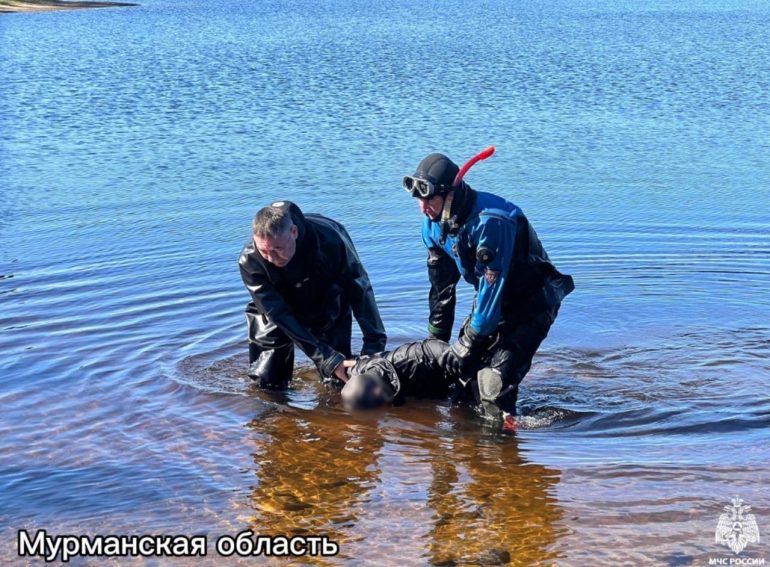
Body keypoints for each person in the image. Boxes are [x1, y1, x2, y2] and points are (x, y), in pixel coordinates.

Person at [403, 150, 575, 430]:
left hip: (531, 302)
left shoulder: (491, 222)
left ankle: (507, 449)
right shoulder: (432, 224)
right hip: (489, 298)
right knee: (460, 382)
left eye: (429, 199)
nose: (423, 208)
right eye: (419, 200)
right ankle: (467, 453)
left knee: (492, 389)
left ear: (450, 195)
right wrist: (437, 341)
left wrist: (470, 340)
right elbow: (441, 288)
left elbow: (493, 287)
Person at [238, 201, 387, 388]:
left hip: (325, 297)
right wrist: (321, 355)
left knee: (338, 377)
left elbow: (359, 289)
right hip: (277, 308)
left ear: (294, 232)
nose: (271, 259)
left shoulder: (331, 241)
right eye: (264, 251)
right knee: (266, 382)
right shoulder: (250, 260)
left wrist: (374, 344)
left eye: (277, 249)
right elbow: (276, 313)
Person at [340, 339, 459, 409]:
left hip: (445, 378)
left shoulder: (407, 357)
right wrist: (333, 364)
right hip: (416, 391)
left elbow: (434, 348)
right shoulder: (356, 371)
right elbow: (339, 368)